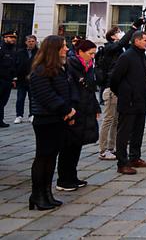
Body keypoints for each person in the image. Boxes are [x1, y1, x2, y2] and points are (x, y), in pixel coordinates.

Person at [28, 35, 75, 210]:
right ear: (53, 49)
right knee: (43, 157)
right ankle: (37, 194)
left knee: (51, 157)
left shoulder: (59, 68)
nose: (66, 49)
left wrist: (69, 112)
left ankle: (47, 193)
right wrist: (66, 110)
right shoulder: (40, 70)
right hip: (45, 120)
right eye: (63, 46)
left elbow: (65, 92)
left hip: (58, 119)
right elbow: (47, 96)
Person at [59, 39, 100, 191]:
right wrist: (69, 110)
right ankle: (63, 179)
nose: (93, 56)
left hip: (86, 107)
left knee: (77, 145)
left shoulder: (88, 66)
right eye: (90, 54)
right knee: (68, 146)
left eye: (94, 54)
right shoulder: (71, 65)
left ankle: (72, 176)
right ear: (80, 52)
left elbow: (90, 89)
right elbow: (68, 89)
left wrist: (95, 107)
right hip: (74, 109)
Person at [110, 31, 146, 175]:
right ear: (136, 41)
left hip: (141, 101)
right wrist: (124, 92)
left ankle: (135, 157)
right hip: (129, 102)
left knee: (138, 132)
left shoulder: (142, 55)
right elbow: (115, 78)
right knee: (124, 133)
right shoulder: (126, 56)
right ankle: (122, 162)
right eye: (145, 40)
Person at [97, 22, 139, 160]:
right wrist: (133, 28)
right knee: (108, 119)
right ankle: (103, 150)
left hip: (119, 88)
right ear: (112, 36)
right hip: (110, 88)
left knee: (116, 120)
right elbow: (121, 43)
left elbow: (130, 44)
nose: (120, 33)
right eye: (118, 32)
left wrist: (139, 30)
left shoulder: (121, 49)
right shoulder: (110, 47)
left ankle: (111, 146)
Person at [15, 35, 38, 123]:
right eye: (29, 41)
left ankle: (32, 114)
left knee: (32, 98)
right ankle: (19, 115)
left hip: (33, 79)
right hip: (21, 79)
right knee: (20, 98)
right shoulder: (20, 52)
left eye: (32, 41)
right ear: (26, 42)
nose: (31, 43)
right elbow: (16, 64)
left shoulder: (38, 52)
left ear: (35, 42)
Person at [0, 30, 19, 128]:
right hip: (1, 79)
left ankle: (0, 120)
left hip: (7, 80)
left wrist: (13, 79)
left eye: (14, 38)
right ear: (5, 38)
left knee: (3, 101)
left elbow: (13, 66)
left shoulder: (13, 51)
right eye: (11, 37)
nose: (13, 39)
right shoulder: (1, 49)